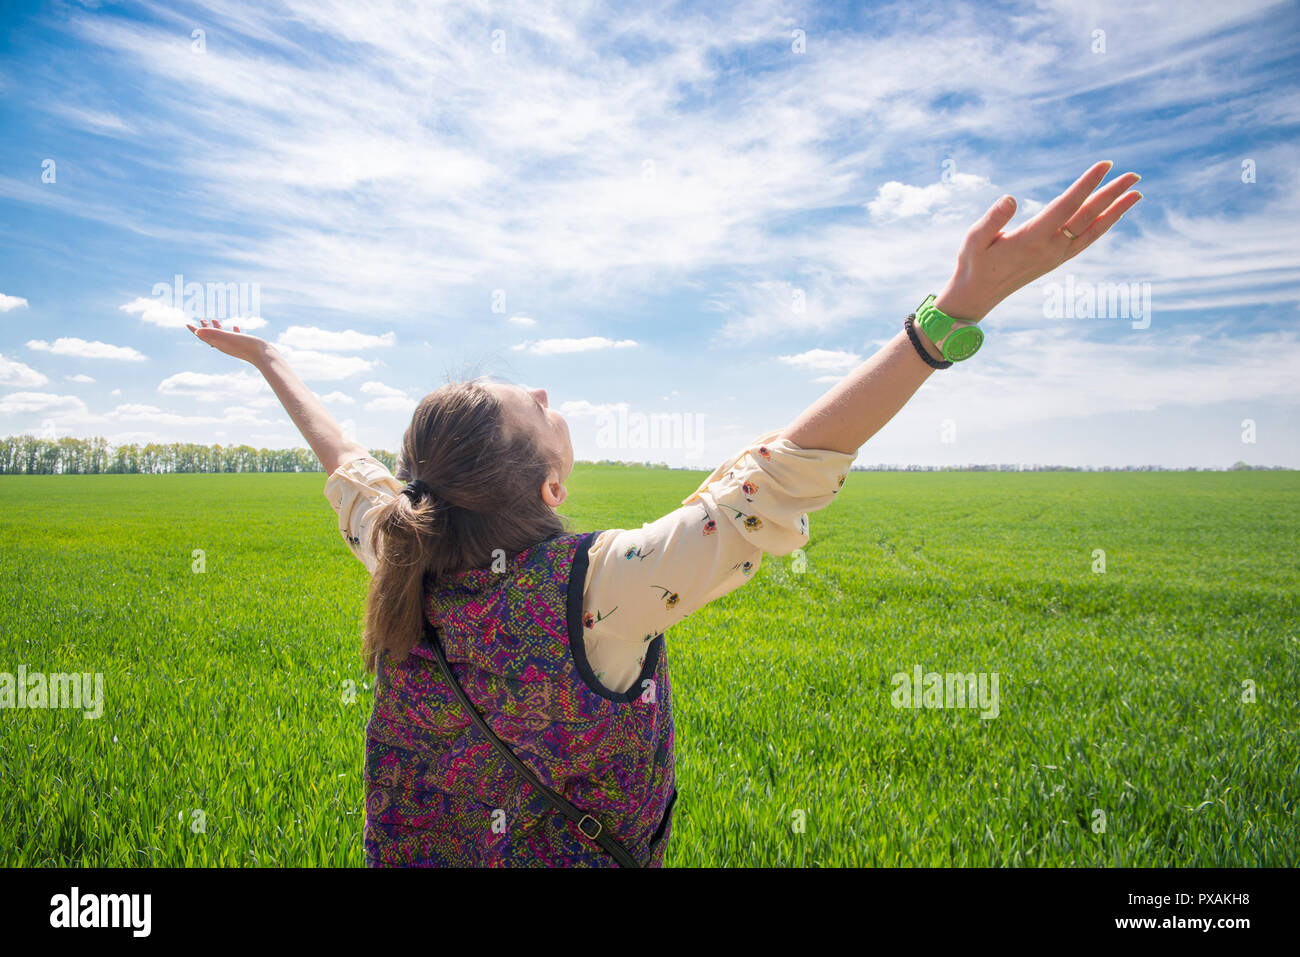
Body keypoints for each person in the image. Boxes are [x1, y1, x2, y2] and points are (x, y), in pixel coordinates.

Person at [189, 161, 1141, 866]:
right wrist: (950, 314)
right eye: (538, 405)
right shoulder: (604, 588)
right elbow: (776, 479)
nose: (548, 388)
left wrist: (275, 362)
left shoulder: (401, 549)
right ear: (550, 488)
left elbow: (346, 466)